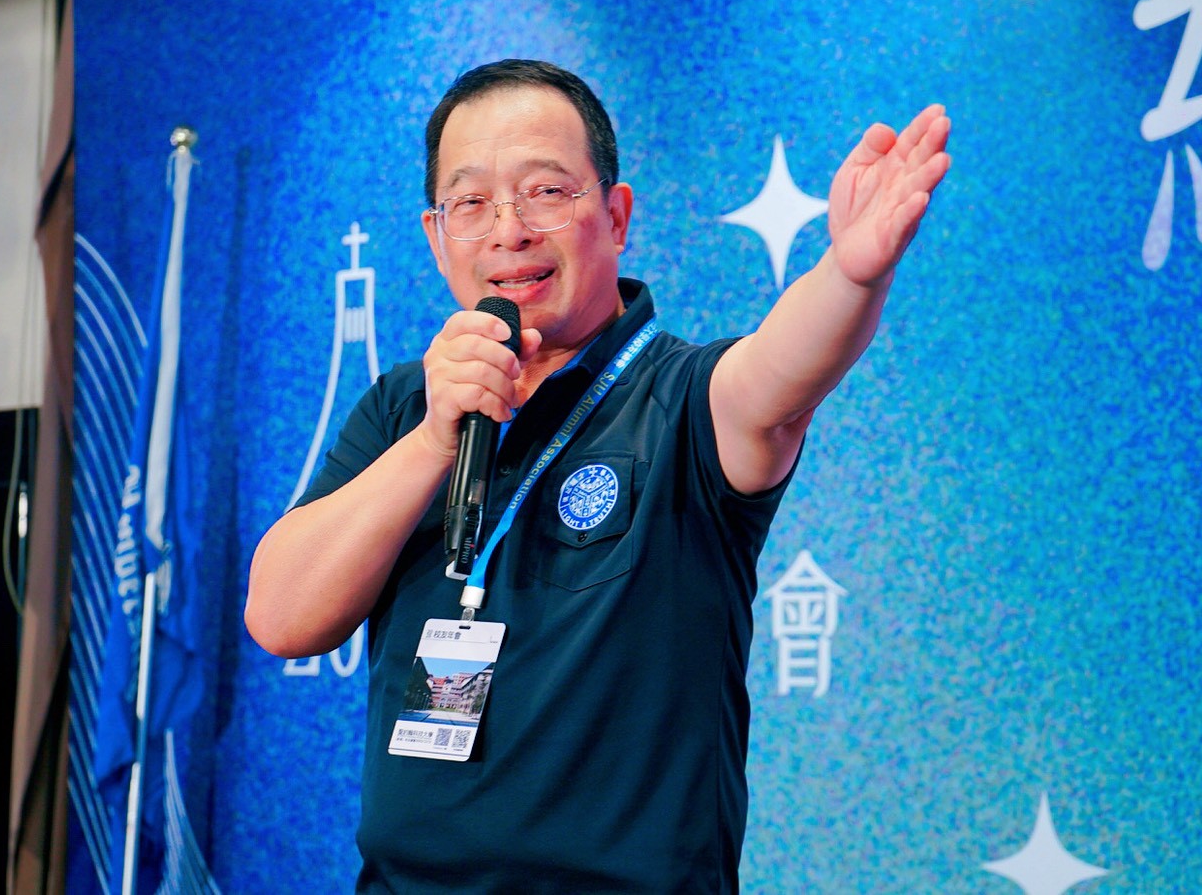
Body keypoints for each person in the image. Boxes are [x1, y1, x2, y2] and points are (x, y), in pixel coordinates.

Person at [246, 59, 950, 892]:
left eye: (544, 192)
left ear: (615, 217)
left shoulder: (679, 397)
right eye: (471, 203)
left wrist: (850, 274)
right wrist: (437, 438)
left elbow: (775, 380)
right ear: (436, 237)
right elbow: (282, 617)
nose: (508, 230)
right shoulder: (407, 406)